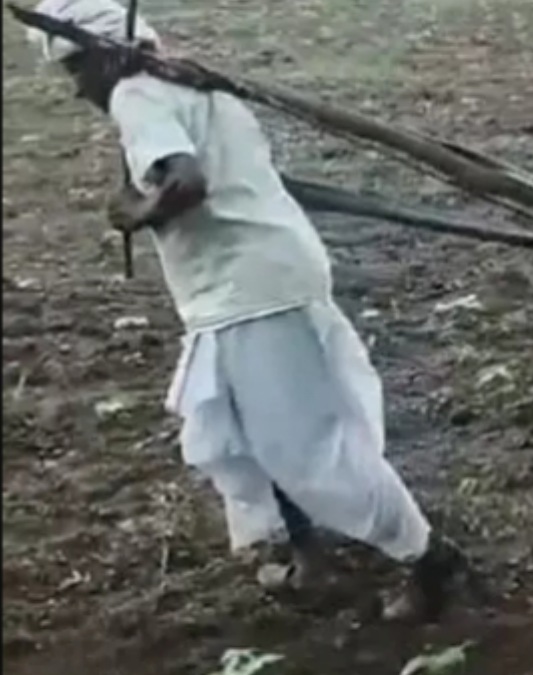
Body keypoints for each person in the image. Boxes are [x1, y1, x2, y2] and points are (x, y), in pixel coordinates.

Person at [26, 0, 465, 621]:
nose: (77, 90)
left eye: (76, 71)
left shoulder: (136, 95)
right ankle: (311, 561)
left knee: (302, 447)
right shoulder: (194, 82)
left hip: (249, 291)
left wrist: (136, 213)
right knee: (256, 437)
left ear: (103, 55)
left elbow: (187, 183)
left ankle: (427, 556)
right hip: (253, 281)